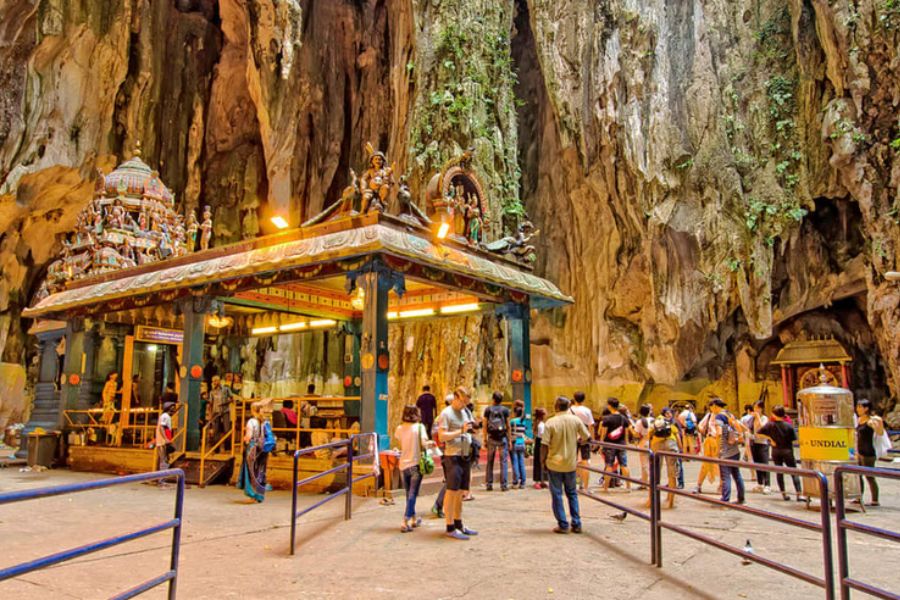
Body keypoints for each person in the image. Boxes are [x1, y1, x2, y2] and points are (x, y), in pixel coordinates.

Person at [541, 396, 590, 533]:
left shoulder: (550, 423)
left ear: (556, 407)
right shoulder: (576, 420)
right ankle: (576, 522)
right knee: (572, 493)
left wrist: (542, 461)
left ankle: (563, 524)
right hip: (570, 463)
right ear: (568, 407)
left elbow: (544, 445)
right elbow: (587, 437)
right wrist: (576, 444)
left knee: (557, 494)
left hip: (554, 463)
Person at [437, 386, 478, 540]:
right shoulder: (446, 413)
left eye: (466, 402)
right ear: (455, 397)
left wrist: (473, 429)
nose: (464, 405)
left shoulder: (465, 411)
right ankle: (449, 526)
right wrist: (460, 431)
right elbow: (441, 436)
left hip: (465, 455)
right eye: (462, 402)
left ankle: (459, 523)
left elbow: (469, 427)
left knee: (461, 491)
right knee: (452, 491)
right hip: (452, 456)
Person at [395, 405, 433, 532]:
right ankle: (405, 521)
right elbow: (424, 444)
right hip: (415, 465)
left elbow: (400, 444)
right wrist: (431, 444)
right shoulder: (420, 427)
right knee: (413, 493)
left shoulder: (399, 428)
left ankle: (413, 519)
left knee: (408, 493)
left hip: (403, 465)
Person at [755, 405, 802, 501]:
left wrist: (770, 439)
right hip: (788, 451)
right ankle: (799, 494)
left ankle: (784, 494)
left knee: (779, 472)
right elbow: (794, 440)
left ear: (774, 414)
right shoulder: (788, 426)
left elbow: (758, 433)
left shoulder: (770, 425)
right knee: (794, 472)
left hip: (776, 451)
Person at [709, 398, 747, 505]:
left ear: (715, 406)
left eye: (711, 407)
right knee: (737, 474)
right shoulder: (729, 414)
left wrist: (718, 449)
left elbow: (719, 433)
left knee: (725, 476)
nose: (711, 410)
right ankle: (741, 498)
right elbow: (741, 427)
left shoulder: (719, 417)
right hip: (735, 449)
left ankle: (725, 499)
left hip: (725, 450)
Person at [237, 400, 271, 503]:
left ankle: (253, 495)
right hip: (263, 448)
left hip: (253, 448)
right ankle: (260, 496)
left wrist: (244, 440)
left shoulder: (251, 422)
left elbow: (249, 436)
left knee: (252, 472)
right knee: (260, 471)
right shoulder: (265, 422)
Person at [597, 397, 633, 492]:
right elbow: (626, 432)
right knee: (624, 465)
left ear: (609, 405)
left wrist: (601, 445)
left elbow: (603, 434)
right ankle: (628, 487)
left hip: (609, 444)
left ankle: (606, 487)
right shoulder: (623, 418)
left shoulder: (607, 419)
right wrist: (626, 443)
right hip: (621, 444)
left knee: (609, 465)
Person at [855, 399, 885, 506]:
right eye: (857, 406)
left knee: (869, 476)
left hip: (868, 452)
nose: (858, 409)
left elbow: (880, 432)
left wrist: (879, 423)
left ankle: (875, 499)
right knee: (858, 475)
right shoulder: (859, 420)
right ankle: (859, 496)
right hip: (859, 451)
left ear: (866, 408)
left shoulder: (870, 421)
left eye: (860, 407)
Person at [649, 409, 680, 509]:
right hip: (670, 443)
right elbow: (677, 435)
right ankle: (671, 501)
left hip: (656, 445)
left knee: (655, 473)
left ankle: (652, 500)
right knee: (672, 474)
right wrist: (681, 449)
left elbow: (649, 434)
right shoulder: (670, 423)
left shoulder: (655, 423)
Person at [482, 391, 510, 491]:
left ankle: (489, 484)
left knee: (490, 461)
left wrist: (484, 439)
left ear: (493, 399)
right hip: (502, 438)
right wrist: (509, 440)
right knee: (503, 462)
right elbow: (508, 426)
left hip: (491, 438)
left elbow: (484, 425)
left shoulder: (488, 410)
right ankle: (504, 485)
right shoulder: (505, 410)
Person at [432, 394, 453, 518]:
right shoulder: (448, 417)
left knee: (450, 480)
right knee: (451, 480)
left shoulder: (439, 417)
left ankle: (444, 506)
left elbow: (434, 432)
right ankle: (439, 505)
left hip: (443, 450)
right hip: (449, 451)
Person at [569, 392, 595, 490]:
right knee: (585, 462)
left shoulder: (569, 410)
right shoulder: (587, 410)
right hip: (584, 438)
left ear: (574, 398)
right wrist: (592, 439)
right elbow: (591, 426)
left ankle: (575, 484)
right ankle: (585, 486)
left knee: (573, 462)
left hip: (572, 438)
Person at [693, 406, 720, 494]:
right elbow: (700, 425)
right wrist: (704, 430)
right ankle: (699, 485)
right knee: (705, 464)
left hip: (719, 442)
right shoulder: (709, 416)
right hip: (710, 440)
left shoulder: (723, 415)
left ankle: (722, 486)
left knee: (721, 465)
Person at [748, 400, 771, 494]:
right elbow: (750, 429)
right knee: (757, 464)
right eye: (754, 408)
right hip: (754, 442)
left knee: (764, 464)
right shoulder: (751, 419)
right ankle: (760, 483)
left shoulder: (764, 418)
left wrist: (758, 418)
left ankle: (767, 485)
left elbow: (763, 429)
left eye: (757, 408)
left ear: (761, 408)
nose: (755, 410)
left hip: (763, 443)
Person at [155, 401, 177, 486]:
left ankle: (162, 480)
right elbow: (162, 428)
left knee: (165, 460)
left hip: (164, 441)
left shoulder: (167, 416)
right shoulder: (165, 416)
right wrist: (166, 439)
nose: (173, 411)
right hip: (162, 442)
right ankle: (161, 481)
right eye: (172, 409)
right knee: (164, 461)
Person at [509, 400, 530, 489]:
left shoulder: (512, 421)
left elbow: (509, 431)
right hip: (522, 443)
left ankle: (515, 481)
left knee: (515, 462)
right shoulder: (523, 421)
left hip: (514, 443)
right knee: (521, 462)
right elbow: (524, 431)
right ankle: (523, 482)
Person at [633, 404, 654, 487]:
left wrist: (632, 429)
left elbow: (636, 434)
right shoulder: (653, 420)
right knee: (652, 463)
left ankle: (646, 483)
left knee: (644, 464)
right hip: (653, 441)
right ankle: (651, 480)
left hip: (644, 441)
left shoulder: (640, 421)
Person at [101, 372, 119, 443]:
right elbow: (104, 392)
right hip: (108, 401)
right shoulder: (108, 383)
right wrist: (106, 400)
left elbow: (114, 392)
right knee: (107, 416)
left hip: (112, 401)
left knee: (112, 415)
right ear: (110, 376)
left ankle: (110, 433)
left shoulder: (115, 383)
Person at [532, 408, 548, 489]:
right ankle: (539, 480)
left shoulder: (538, 423)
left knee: (540, 462)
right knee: (540, 461)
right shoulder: (541, 425)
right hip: (541, 443)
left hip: (539, 442)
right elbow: (542, 435)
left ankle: (541, 480)